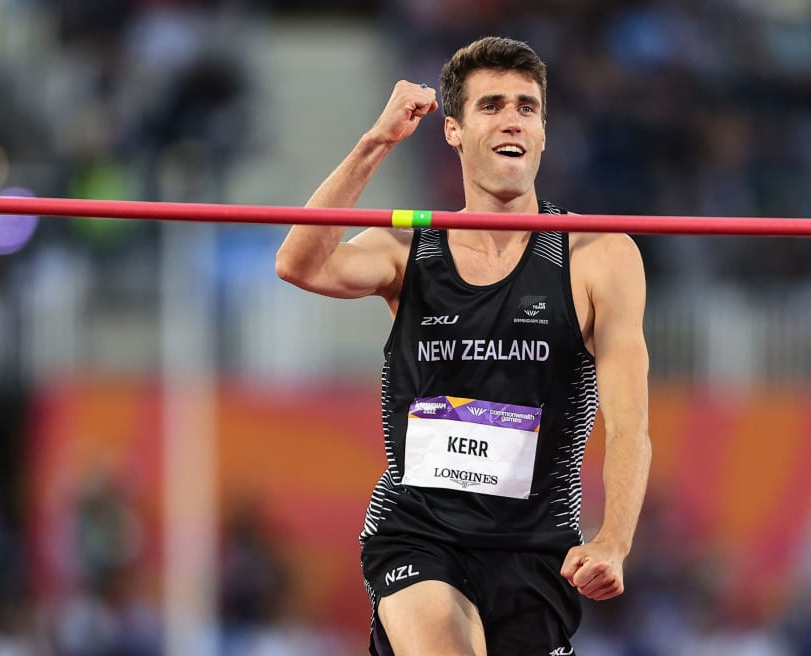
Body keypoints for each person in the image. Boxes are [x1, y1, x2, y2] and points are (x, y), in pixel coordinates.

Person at [275, 36, 651, 656]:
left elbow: (630, 422)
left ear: (544, 132)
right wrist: (377, 142)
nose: (512, 120)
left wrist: (615, 539)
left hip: (535, 549)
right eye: (491, 106)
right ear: (453, 130)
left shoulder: (599, 256)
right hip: (418, 531)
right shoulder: (408, 249)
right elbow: (300, 263)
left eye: (527, 107)